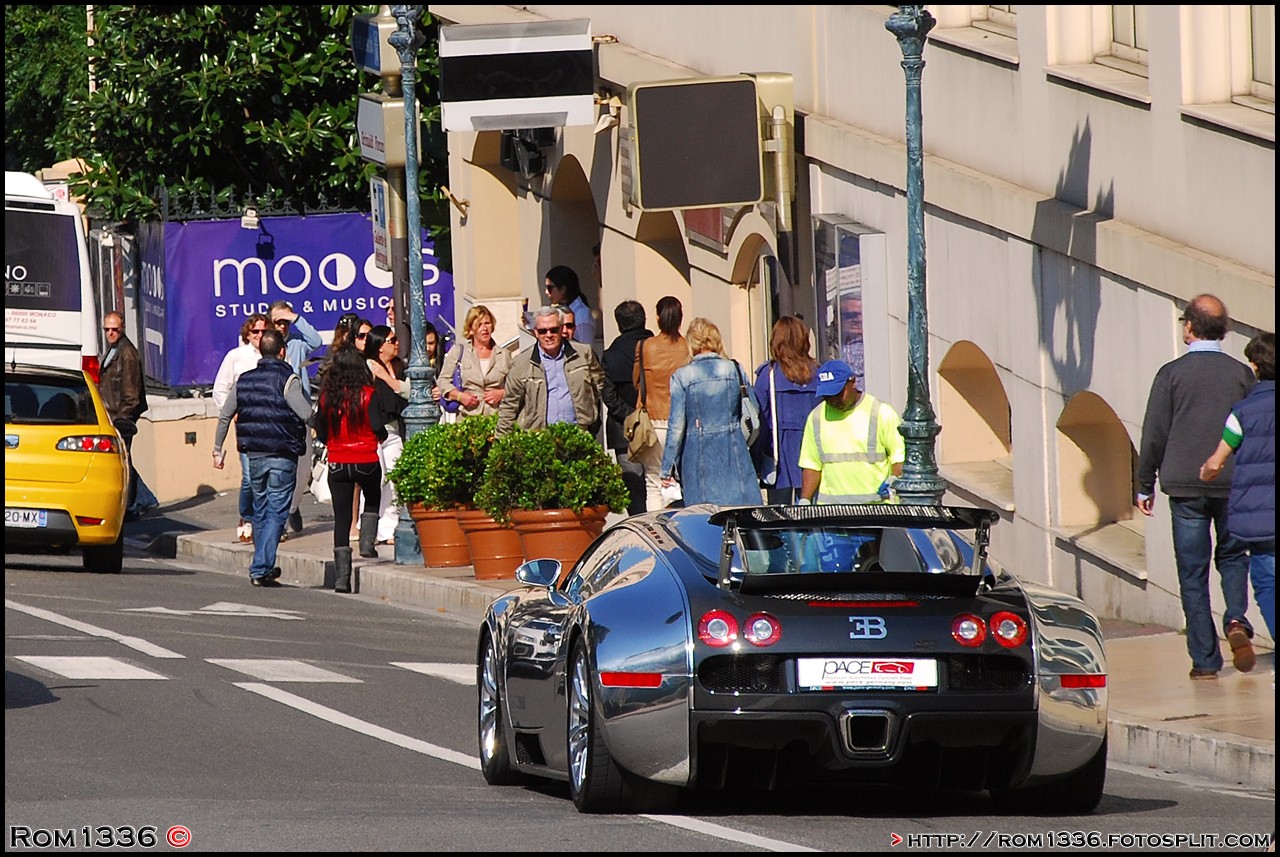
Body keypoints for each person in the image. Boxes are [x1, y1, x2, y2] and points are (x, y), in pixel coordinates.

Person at [1137, 294, 1257, 680]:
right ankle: (1237, 619)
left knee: (1192, 573)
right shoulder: (1241, 374)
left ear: (1189, 327)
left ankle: (1205, 660)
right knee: (1234, 558)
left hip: (1185, 484)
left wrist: (1144, 483)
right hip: (1233, 482)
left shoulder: (1170, 374)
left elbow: (1155, 432)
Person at [212, 329, 310, 587]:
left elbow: (225, 415)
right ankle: (261, 566)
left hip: (254, 454)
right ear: (282, 351)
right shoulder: (288, 379)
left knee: (261, 509)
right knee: (277, 512)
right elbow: (305, 413)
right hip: (282, 453)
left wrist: (217, 448)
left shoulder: (244, 380)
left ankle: (263, 565)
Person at [1200, 332, 1275, 644]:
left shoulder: (1242, 413)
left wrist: (1206, 472)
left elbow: (1217, 461)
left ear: (1255, 367)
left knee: (1268, 584)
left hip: (1261, 522)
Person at [659, 318, 761, 507]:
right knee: (740, 514)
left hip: (696, 454)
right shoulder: (734, 369)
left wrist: (667, 469)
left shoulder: (682, 376)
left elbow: (676, 427)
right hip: (734, 448)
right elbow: (753, 408)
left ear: (691, 342)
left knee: (704, 517)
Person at [314, 346, 389, 592]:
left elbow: (322, 432)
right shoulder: (369, 394)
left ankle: (341, 579)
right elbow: (378, 427)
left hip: (339, 461)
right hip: (366, 457)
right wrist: (379, 436)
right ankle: (367, 542)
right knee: (373, 495)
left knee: (342, 517)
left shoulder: (327, 397)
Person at [497, 304, 620, 437]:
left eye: (554, 330)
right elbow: (509, 406)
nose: (548, 335)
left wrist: (591, 417)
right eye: (543, 331)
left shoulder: (583, 354)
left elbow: (598, 385)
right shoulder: (521, 363)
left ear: (561, 329)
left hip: (578, 435)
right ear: (536, 332)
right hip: (538, 439)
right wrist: (501, 442)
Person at [797, 358, 905, 505]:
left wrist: (894, 479)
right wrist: (805, 500)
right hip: (832, 513)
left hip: (876, 511)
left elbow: (899, 457)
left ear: (853, 382)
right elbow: (812, 465)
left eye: (838, 393)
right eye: (827, 396)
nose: (833, 400)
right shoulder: (816, 417)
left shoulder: (881, 413)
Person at [212, 313, 272, 544]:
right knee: (249, 476)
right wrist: (232, 412)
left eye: (263, 331)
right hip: (246, 424)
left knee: (268, 476)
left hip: (269, 424)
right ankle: (247, 517)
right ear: (247, 334)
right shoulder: (236, 357)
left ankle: (266, 520)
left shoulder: (274, 353)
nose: (259, 336)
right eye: (254, 332)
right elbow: (220, 389)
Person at [753, 316, 821, 505]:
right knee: (811, 514)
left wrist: (757, 457)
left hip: (778, 454)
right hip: (812, 451)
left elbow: (760, 421)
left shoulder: (768, 375)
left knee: (779, 517)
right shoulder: (818, 374)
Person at [269, 300, 323, 536]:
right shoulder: (265, 348)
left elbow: (317, 341)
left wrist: (296, 318)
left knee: (303, 470)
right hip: (276, 417)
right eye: (277, 322)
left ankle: (292, 506)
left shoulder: (298, 344)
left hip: (299, 413)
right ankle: (278, 521)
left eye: (285, 322)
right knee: (278, 471)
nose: (281, 326)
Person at [98, 310, 158, 519]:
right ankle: (145, 500)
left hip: (120, 418)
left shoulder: (127, 354)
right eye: (107, 330)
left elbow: (131, 394)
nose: (111, 333)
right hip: (111, 416)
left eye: (115, 329)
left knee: (122, 461)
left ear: (122, 329)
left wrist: (122, 420)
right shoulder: (114, 350)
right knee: (124, 460)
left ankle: (133, 506)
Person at [633, 296, 690, 511]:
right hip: (682, 421)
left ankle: (657, 532)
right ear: (680, 318)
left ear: (657, 317)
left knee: (654, 482)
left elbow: (636, 380)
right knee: (680, 482)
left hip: (653, 421)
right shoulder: (687, 348)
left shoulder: (645, 347)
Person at [602, 300, 652, 515]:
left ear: (619, 324)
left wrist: (631, 416)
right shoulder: (658, 348)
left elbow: (609, 396)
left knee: (635, 493)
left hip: (625, 430)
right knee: (658, 486)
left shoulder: (611, 354)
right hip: (657, 424)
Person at [364, 325, 407, 546]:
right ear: (380, 346)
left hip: (394, 431)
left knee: (395, 481)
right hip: (374, 432)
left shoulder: (399, 367)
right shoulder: (368, 367)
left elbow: (408, 391)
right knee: (377, 480)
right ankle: (372, 527)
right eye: (392, 340)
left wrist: (388, 377)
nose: (397, 343)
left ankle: (389, 528)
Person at [439, 305, 511, 418]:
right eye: (479, 325)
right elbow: (443, 381)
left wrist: (502, 393)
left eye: (487, 323)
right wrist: (459, 396)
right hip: (467, 416)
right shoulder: (458, 351)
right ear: (471, 330)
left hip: (497, 417)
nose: (484, 328)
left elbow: (516, 386)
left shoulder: (504, 355)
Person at [545, 264, 597, 353]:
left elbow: (586, 350)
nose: (546, 292)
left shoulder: (581, 314)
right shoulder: (560, 309)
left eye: (550, 288)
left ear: (563, 289)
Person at [839, 292, 865, 389]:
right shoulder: (830, 348)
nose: (858, 319)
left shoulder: (879, 345)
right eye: (851, 315)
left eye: (861, 314)